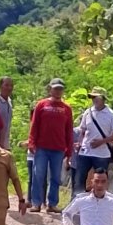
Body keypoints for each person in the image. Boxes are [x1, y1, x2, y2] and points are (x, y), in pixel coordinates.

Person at [28, 79, 74, 214]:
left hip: (58, 148)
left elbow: (69, 130)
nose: (58, 91)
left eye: (60, 89)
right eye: (55, 88)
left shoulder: (67, 108)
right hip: (42, 146)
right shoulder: (41, 105)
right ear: (50, 89)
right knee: (38, 174)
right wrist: (31, 142)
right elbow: (34, 125)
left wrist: (69, 150)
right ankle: (36, 203)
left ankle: (52, 203)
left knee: (55, 177)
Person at [73, 89, 113, 195]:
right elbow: (83, 130)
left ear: (103, 98)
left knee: (101, 179)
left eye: (96, 97)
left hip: (102, 153)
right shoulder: (88, 112)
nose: (94, 99)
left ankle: (100, 202)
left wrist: (102, 141)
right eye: (92, 97)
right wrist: (80, 143)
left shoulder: (111, 115)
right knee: (79, 179)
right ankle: (76, 203)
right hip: (85, 151)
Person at [0, 76, 15, 149]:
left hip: (6, 143)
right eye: (6, 85)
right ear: (0, 86)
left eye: (11, 85)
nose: (9, 88)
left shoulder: (9, 101)